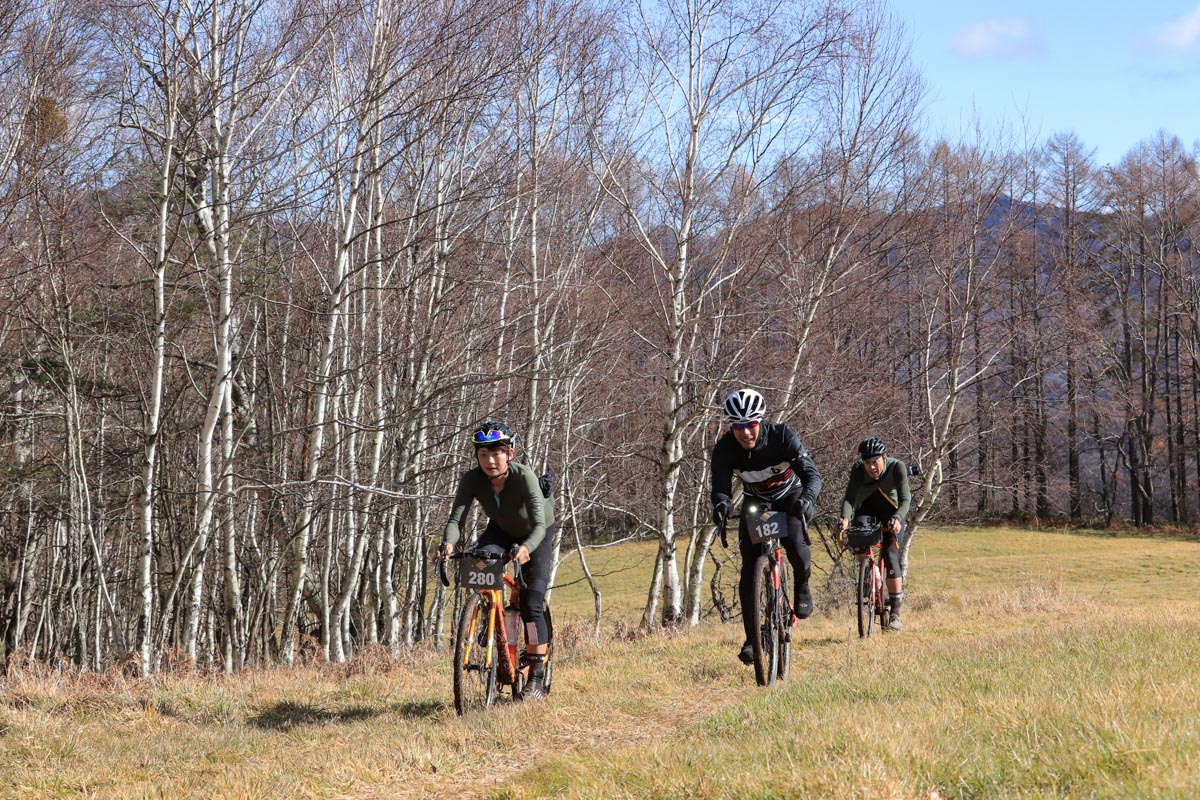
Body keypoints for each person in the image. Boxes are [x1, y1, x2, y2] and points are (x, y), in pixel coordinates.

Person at [437, 421, 555, 699]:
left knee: (531, 602)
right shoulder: (472, 480)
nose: (490, 460)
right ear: (476, 456)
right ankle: (492, 627)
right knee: (481, 570)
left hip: (536, 534)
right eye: (483, 455)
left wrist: (526, 548)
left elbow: (539, 525)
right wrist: (448, 543)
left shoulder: (523, 476)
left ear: (510, 453)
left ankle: (536, 678)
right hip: (500, 530)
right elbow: (457, 519)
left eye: (497, 453)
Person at [710, 388, 823, 666]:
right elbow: (720, 487)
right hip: (756, 502)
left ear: (760, 422)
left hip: (791, 496)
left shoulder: (782, 436)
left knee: (796, 544)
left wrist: (808, 498)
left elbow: (811, 473)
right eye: (739, 427)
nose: (746, 433)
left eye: (751, 425)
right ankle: (752, 639)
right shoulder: (725, 448)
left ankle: (802, 584)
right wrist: (721, 505)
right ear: (731, 427)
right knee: (749, 568)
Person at [838, 436, 912, 631]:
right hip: (867, 508)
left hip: (893, 510)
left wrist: (897, 518)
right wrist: (844, 519)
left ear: (884, 457)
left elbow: (906, 500)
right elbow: (850, 499)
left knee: (889, 554)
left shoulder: (897, 467)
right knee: (858, 537)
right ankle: (870, 574)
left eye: (875, 461)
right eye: (867, 462)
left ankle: (895, 612)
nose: (871, 467)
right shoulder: (857, 470)